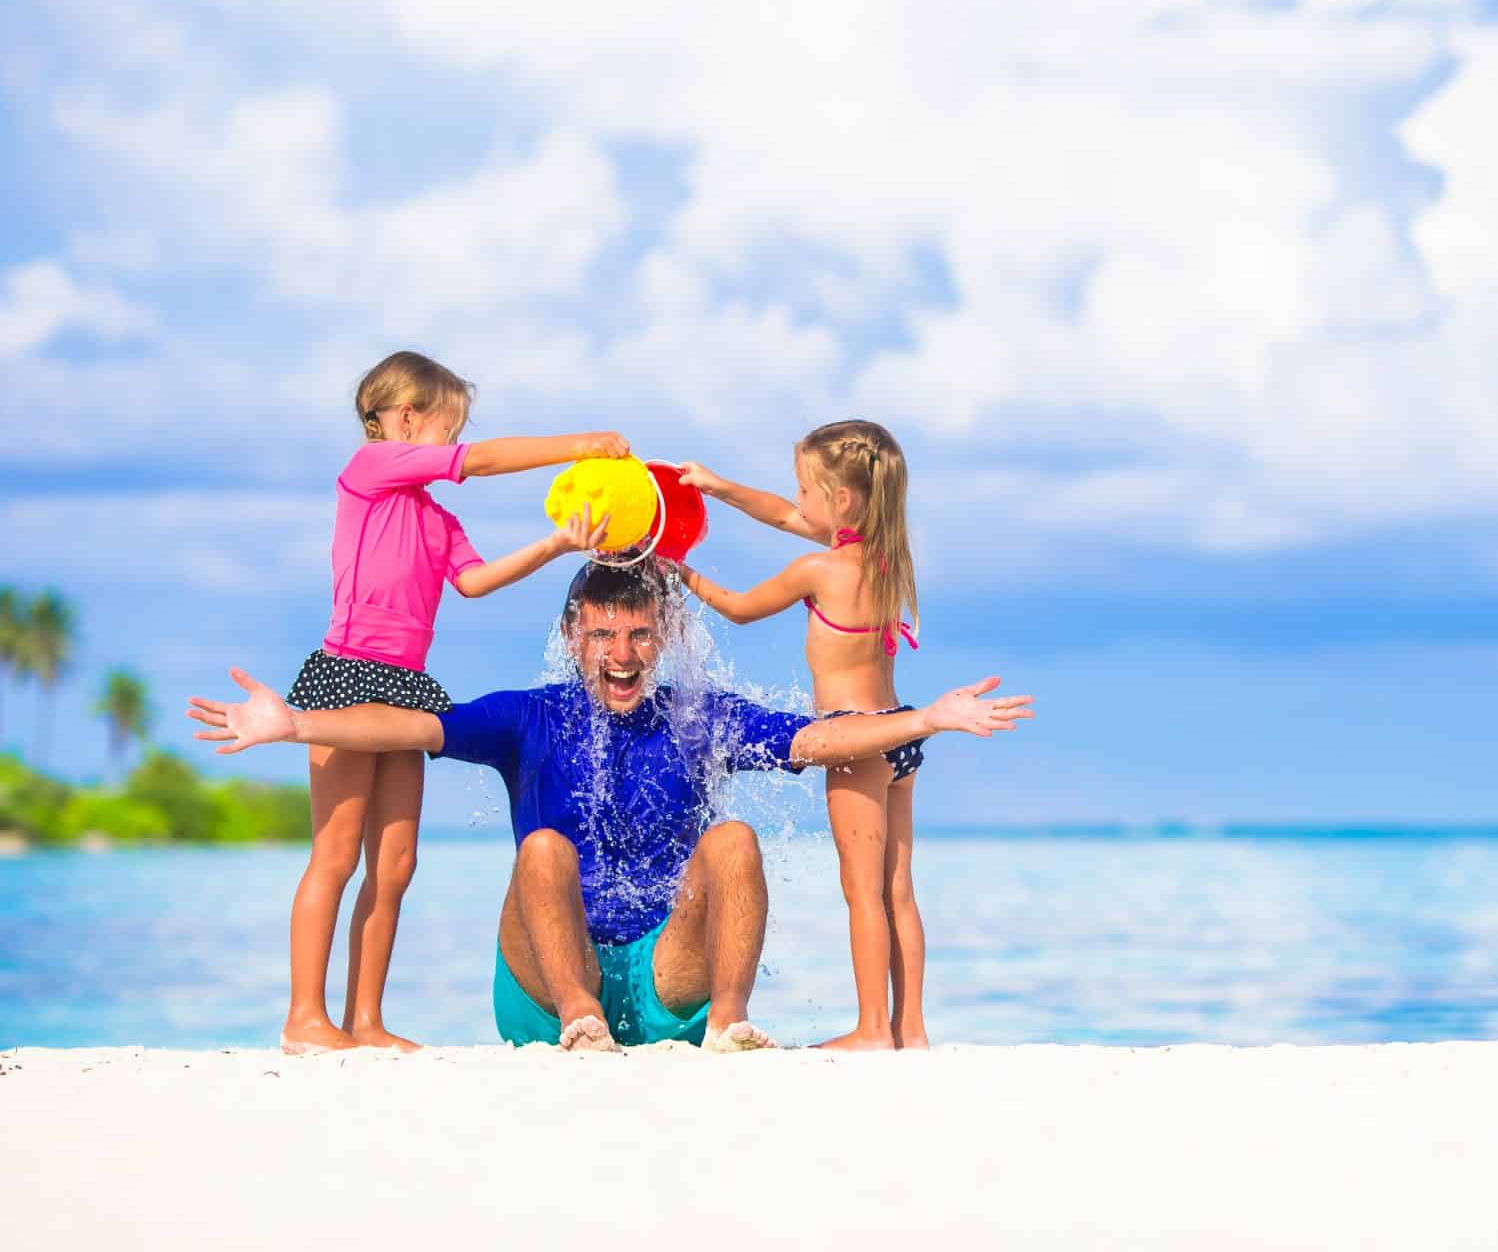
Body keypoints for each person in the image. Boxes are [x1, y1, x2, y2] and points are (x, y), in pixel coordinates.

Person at [187, 559, 1034, 1053]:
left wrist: (922, 719)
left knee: (734, 838)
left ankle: (729, 1028)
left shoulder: (695, 715)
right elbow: (410, 723)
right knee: (542, 849)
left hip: (671, 978)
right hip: (546, 992)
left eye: (636, 636)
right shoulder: (530, 716)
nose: (621, 656)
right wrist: (296, 723)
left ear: (660, 637)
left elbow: (812, 740)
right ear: (573, 639)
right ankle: (584, 1020)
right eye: (602, 636)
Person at [282, 350, 624, 1054]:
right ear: (405, 419)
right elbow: (481, 461)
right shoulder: (369, 470)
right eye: (448, 428)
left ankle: (366, 1021)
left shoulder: (437, 522)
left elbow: (474, 582)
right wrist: (579, 445)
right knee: (336, 854)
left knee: (397, 862)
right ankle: (304, 1019)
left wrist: (559, 543)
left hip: (405, 686)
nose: (451, 444)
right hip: (348, 673)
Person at [671, 421, 935, 1050]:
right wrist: (717, 487)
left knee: (860, 890)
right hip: (898, 731)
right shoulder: (889, 559)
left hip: (854, 739)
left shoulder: (818, 570)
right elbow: (784, 514)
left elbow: (736, 606)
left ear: (841, 501)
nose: (797, 503)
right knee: (898, 887)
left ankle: (871, 1028)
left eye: (807, 490)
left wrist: (678, 573)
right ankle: (910, 1029)